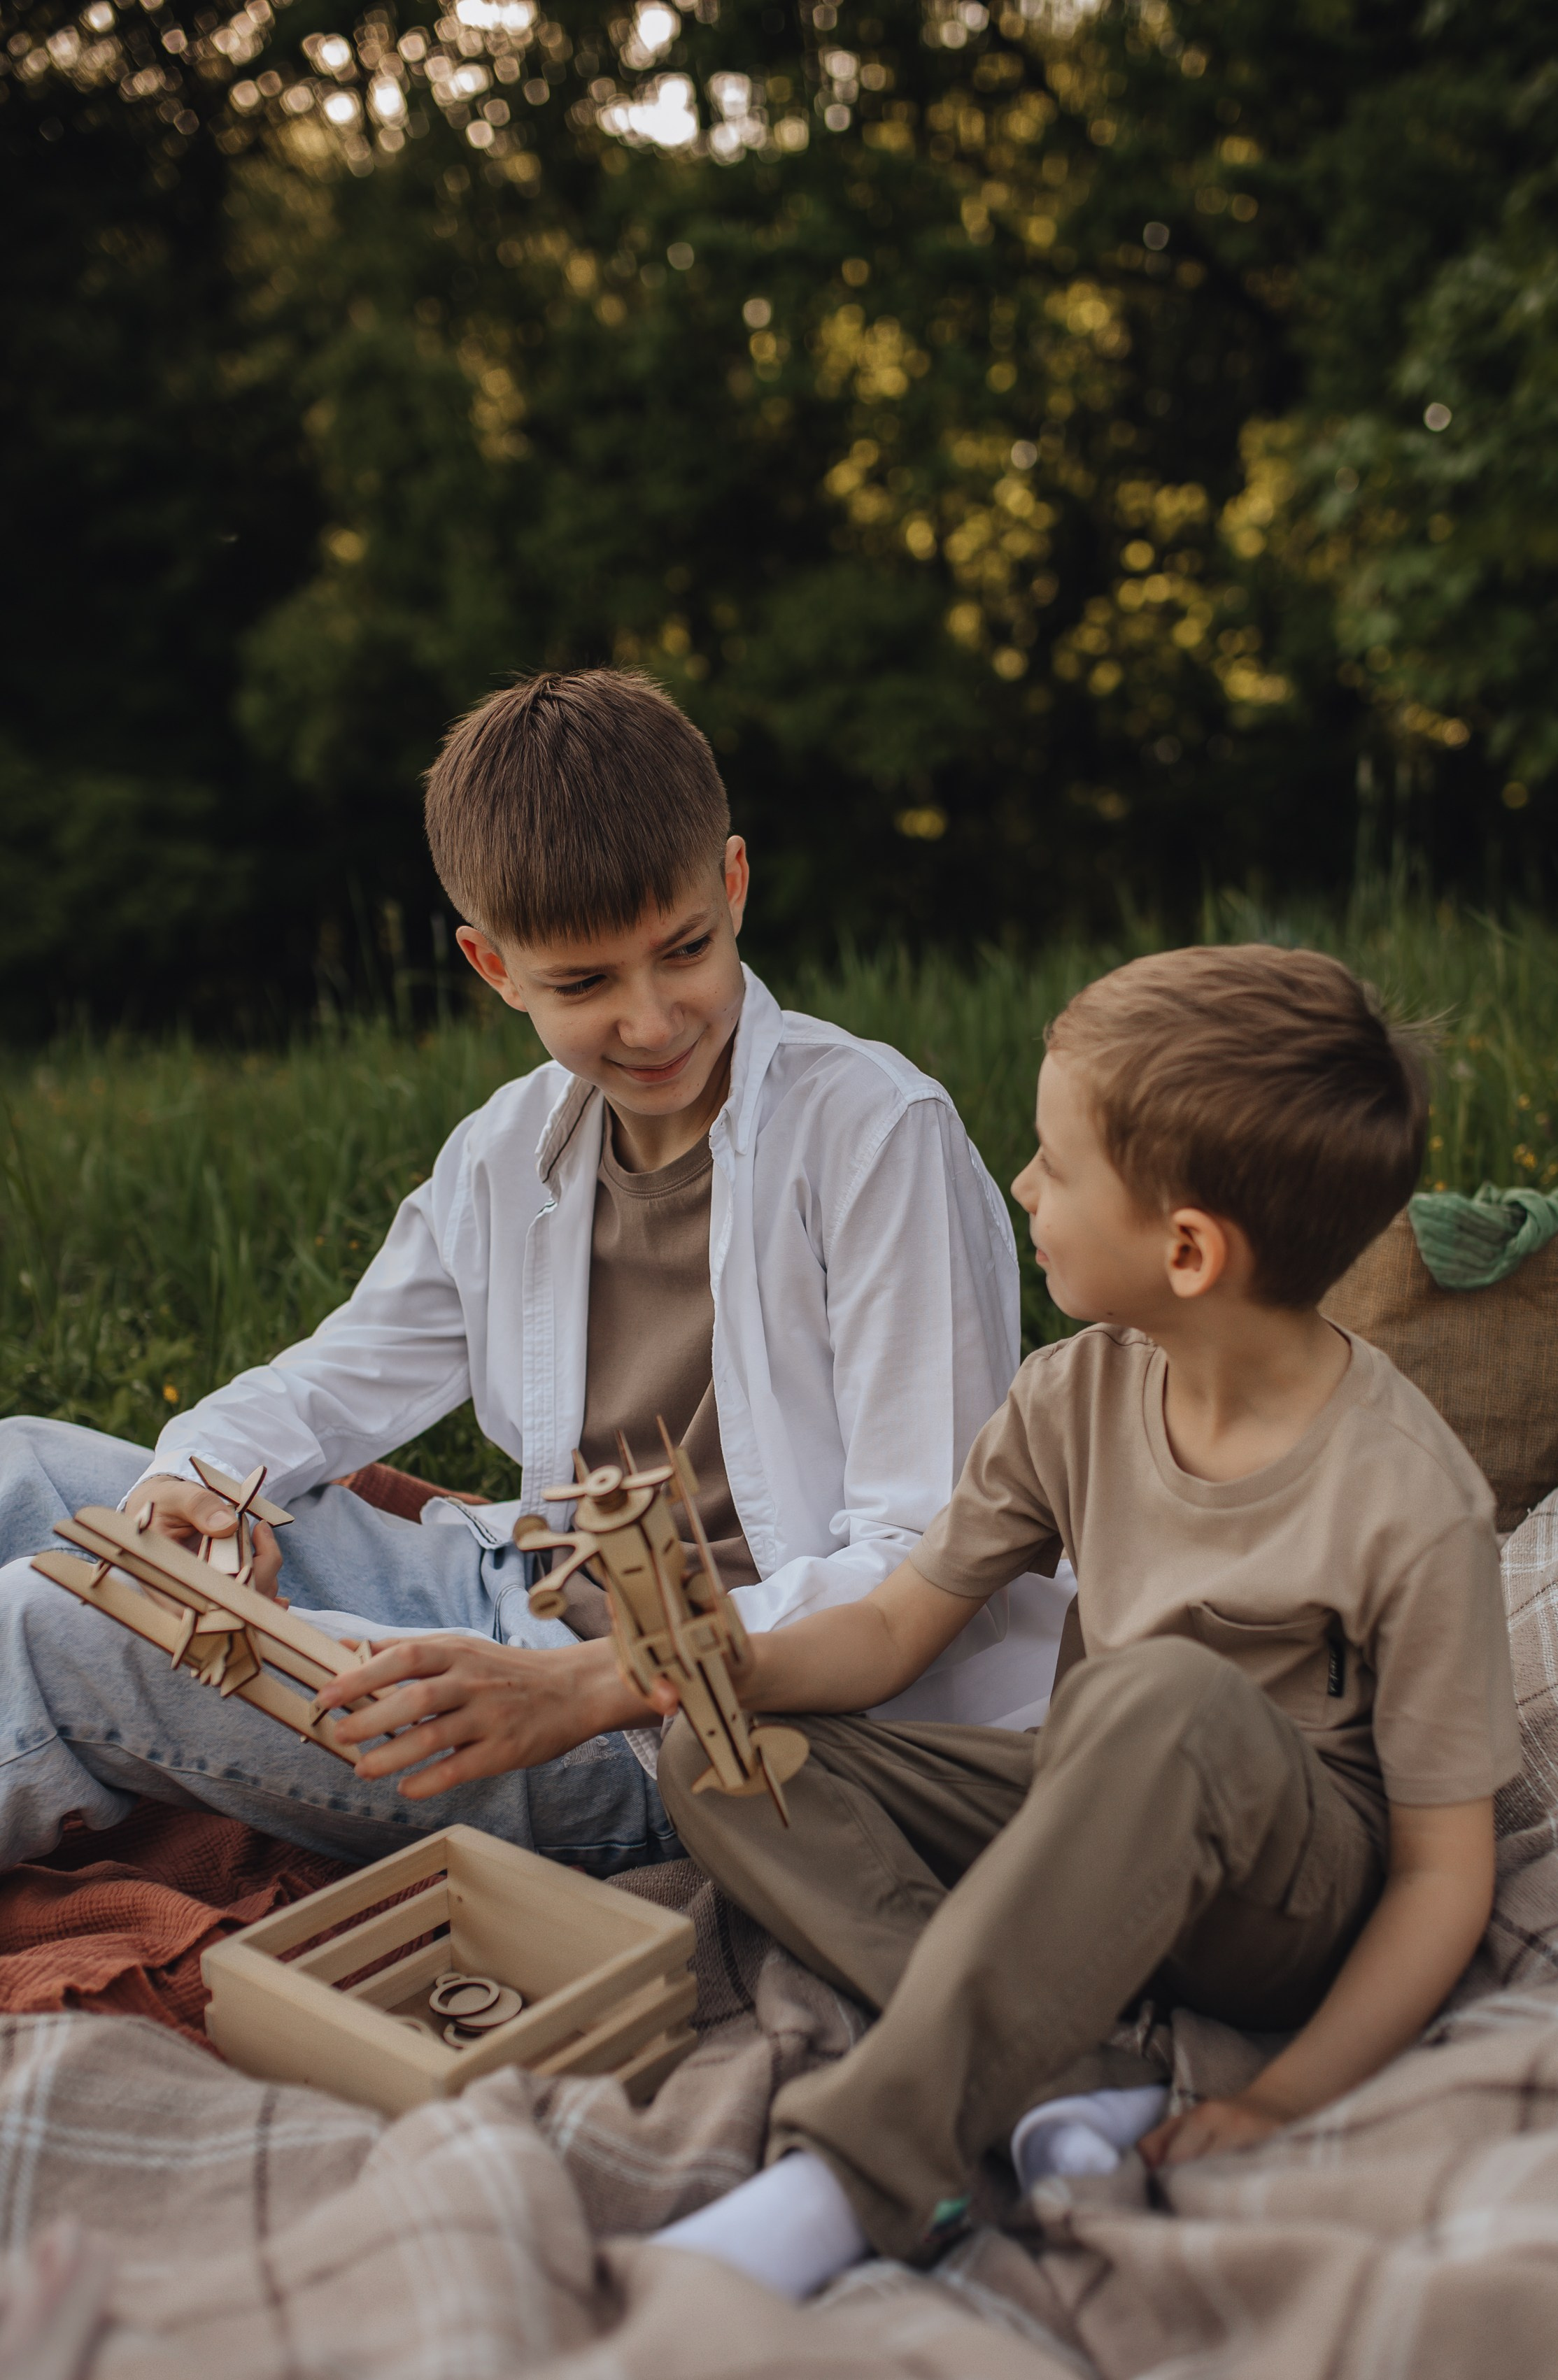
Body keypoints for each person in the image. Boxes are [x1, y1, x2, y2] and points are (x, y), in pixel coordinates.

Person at [0, 669, 1065, 1879]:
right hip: (515, 1598)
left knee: (57, 1624)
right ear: (493, 967)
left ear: (734, 883)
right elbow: (329, 1385)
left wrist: (584, 1681)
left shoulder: (877, 1136)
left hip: (689, 1727)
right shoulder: (508, 1154)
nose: (654, 1021)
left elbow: (928, 1559)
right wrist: (194, 1484)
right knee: (23, 1465)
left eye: (684, 952)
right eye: (584, 984)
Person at [646, 943, 1519, 2298]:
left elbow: (1439, 1876)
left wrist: (1282, 2100)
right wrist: (739, 1663)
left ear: (1185, 1247)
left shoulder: (1412, 1503)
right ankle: (1072, 2069)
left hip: (1279, 1901)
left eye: (1054, 1165)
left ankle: (866, 2164)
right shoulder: (1070, 1395)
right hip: (1085, 1811)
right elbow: (889, 1634)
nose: (1022, 1184)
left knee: (1152, 1693)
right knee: (723, 1752)